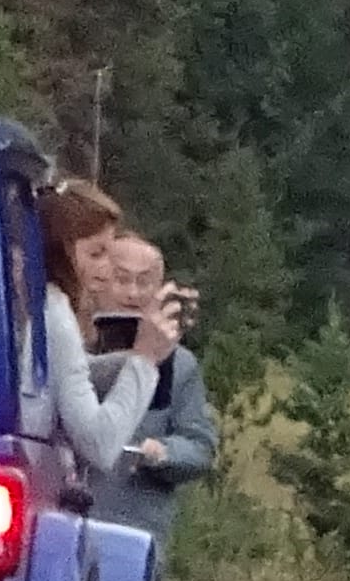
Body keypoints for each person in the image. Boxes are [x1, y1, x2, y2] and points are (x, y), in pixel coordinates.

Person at [78, 230, 215, 544]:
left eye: (145, 282)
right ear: (96, 279)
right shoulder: (66, 347)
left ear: (160, 289)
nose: (133, 293)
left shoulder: (179, 363)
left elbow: (201, 446)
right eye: (121, 278)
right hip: (66, 513)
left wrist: (164, 453)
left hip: (135, 528)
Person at [27, 176, 160, 483]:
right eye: (95, 254)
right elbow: (98, 443)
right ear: (61, 249)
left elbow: (64, 371)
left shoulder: (33, 303)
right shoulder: (56, 314)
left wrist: (122, 363)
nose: (107, 268)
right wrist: (145, 359)